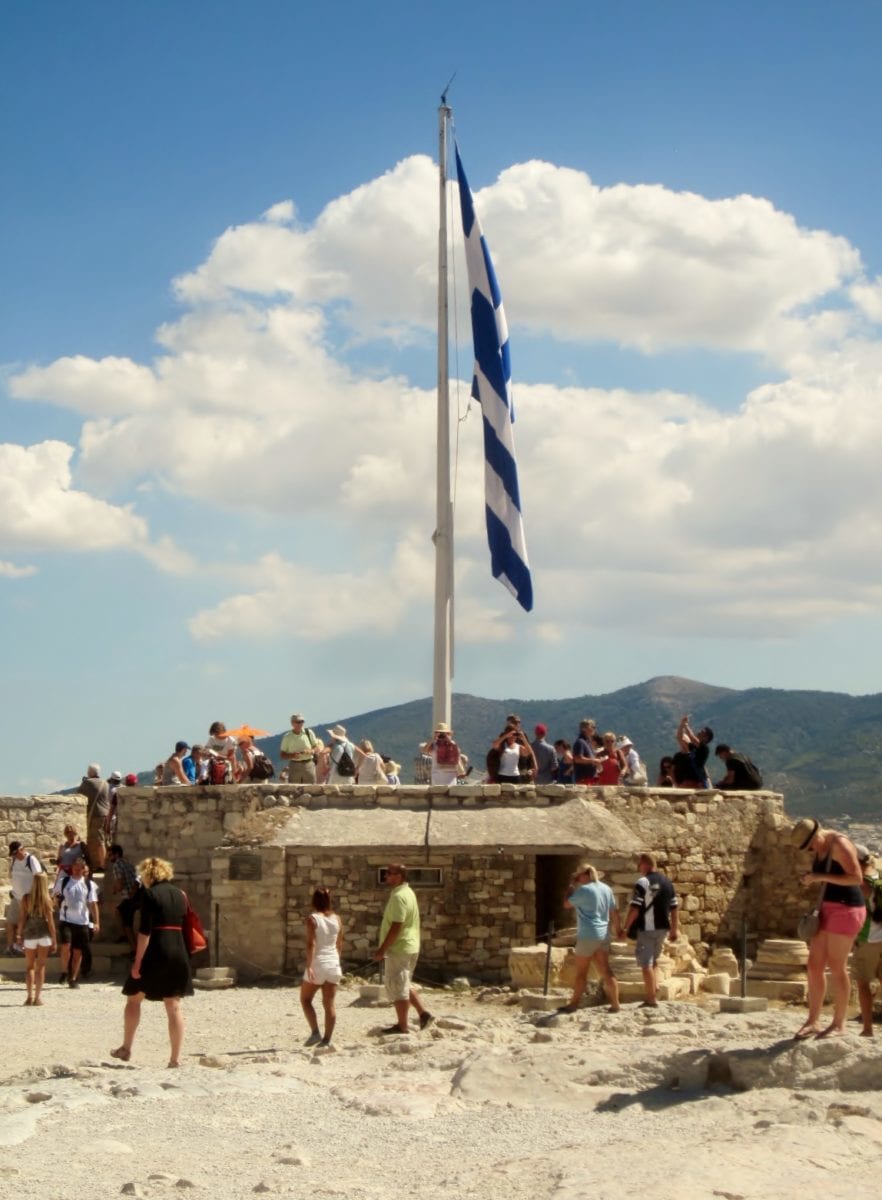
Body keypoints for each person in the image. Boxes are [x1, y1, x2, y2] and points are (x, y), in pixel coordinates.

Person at [112, 856, 193, 1068]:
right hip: (178, 951)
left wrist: (137, 961)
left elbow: (144, 932)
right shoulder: (181, 895)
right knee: (173, 1005)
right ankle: (175, 1059)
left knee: (133, 998)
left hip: (156, 949)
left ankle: (126, 1048)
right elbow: (185, 927)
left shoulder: (149, 895)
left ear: (147, 874)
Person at [790, 817, 865, 1040]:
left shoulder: (839, 844)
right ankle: (813, 1021)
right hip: (827, 908)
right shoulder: (821, 848)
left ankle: (838, 1024)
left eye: (810, 844)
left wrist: (820, 876)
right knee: (814, 965)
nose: (811, 849)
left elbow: (855, 878)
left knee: (837, 965)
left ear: (817, 836)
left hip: (847, 909)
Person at [372, 864, 433, 1034]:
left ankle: (402, 1026)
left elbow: (396, 925)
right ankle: (423, 1014)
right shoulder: (408, 892)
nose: (386, 877)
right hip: (410, 945)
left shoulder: (399, 897)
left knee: (398, 987)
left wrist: (382, 949)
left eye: (389, 874)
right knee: (404, 983)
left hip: (400, 947)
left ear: (400, 876)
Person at [558, 863, 621, 1014]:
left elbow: (566, 904)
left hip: (587, 935)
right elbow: (614, 912)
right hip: (603, 934)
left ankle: (573, 1005)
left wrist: (570, 889)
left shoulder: (583, 890)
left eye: (578, 876)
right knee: (606, 970)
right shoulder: (606, 889)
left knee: (581, 972)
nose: (578, 879)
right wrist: (618, 929)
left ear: (584, 875)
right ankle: (615, 1004)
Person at [621, 852, 679, 1007]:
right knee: (654, 960)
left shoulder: (643, 881)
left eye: (639, 865)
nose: (639, 868)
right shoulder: (667, 882)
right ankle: (655, 987)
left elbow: (635, 908)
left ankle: (651, 999)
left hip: (647, 928)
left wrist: (625, 928)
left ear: (645, 864)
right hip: (663, 929)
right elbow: (674, 908)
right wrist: (675, 929)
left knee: (646, 963)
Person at [300, 886, 343, 1048]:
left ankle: (315, 1032)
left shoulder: (312, 919)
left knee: (305, 999)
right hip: (333, 964)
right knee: (329, 1004)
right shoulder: (337, 919)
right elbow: (339, 943)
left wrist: (309, 965)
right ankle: (327, 1040)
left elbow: (311, 943)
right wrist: (336, 961)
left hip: (318, 963)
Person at [52, 856, 99, 988]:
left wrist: (96, 922)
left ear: (84, 869)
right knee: (66, 945)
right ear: (72, 868)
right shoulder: (63, 881)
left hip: (82, 921)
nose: (77, 872)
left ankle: (73, 978)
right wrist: (57, 902)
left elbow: (93, 904)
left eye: (79, 869)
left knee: (78, 951)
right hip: (66, 919)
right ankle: (64, 971)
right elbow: (55, 896)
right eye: (75, 869)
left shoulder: (89, 884)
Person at [852, 845, 882, 1038]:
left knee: (863, 984)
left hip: (868, 939)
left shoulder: (861, 884)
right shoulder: (879, 876)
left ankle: (868, 1028)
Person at [17, 872, 56, 1006]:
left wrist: (18, 935)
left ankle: (29, 996)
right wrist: (55, 940)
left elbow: (22, 918)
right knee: (41, 966)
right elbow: (50, 923)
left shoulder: (26, 898)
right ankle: (37, 998)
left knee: (29, 967)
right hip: (44, 935)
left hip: (29, 935)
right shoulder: (47, 899)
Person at [6, 841, 44, 954]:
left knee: (26, 924)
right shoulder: (13, 860)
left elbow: (39, 878)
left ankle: (25, 948)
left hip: (29, 899)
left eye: (16, 853)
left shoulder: (31, 860)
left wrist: (36, 896)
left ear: (22, 849)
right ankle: (10, 947)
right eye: (13, 854)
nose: (15, 856)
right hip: (16, 897)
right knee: (10, 922)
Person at [107, 843, 141, 952]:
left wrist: (115, 889)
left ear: (116, 854)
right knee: (118, 911)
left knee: (128, 925)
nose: (109, 857)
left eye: (110, 855)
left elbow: (120, 883)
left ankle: (134, 950)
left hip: (129, 898)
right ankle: (123, 935)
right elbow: (137, 878)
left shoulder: (117, 865)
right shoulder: (128, 862)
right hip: (136, 896)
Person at [79, 763, 110, 869]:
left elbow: (78, 794)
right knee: (103, 839)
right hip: (105, 814)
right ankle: (101, 863)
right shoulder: (105, 783)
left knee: (98, 840)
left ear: (91, 773)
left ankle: (102, 864)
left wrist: (84, 782)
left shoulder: (88, 783)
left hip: (95, 815)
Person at [673, 716, 713, 789]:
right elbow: (679, 737)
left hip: (697, 782)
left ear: (706, 738)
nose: (699, 732)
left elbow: (692, 737)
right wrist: (681, 725)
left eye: (702, 732)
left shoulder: (704, 748)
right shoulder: (693, 747)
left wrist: (686, 725)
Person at [279, 714, 320, 784]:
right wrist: (292, 755)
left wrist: (311, 751)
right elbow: (282, 755)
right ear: (292, 723)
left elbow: (317, 747)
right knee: (294, 789)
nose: (300, 724)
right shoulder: (287, 737)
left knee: (311, 788)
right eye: (298, 722)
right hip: (294, 765)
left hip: (309, 764)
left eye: (302, 722)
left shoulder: (309, 733)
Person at [572, 719, 600, 785]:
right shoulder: (580, 742)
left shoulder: (587, 742)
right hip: (584, 779)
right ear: (584, 729)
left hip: (591, 778)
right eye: (592, 727)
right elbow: (578, 759)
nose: (594, 728)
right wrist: (594, 761)